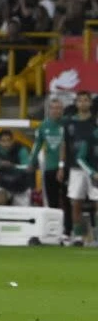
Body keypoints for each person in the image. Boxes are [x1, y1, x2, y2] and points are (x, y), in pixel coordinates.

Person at [64, 92, 98, 245]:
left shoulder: (95, 122)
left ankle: (96, 237)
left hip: (95, 168)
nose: (83, 103)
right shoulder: (70, 122)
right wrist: (61, 165)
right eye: (80, 100)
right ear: (76, 103)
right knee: (76, 203)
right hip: (76, 168)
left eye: (86, 100)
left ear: (90, 103)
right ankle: (80, 236)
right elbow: (64, 144)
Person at [28, 99, 66, 212]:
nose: (56, 111)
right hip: (50, 167)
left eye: (58, 108)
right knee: (52, 200)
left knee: (67, 199)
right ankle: (55, 226)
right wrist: (31, 161)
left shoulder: (67, 124)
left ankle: (68, 227)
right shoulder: (43, 126)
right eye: (53, 108)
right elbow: (37, 145)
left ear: (62, 110)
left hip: (66, 167)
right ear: (49, 110)